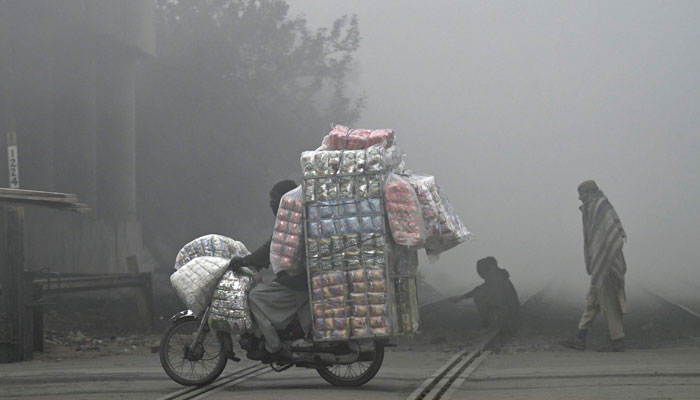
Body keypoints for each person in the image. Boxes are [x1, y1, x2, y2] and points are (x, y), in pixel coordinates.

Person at [228, 180, 311, 361]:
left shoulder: (293, 222)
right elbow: (274, 248)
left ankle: (273, 345)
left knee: (255, 297)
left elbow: (270, 248)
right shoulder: (297, 219)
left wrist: (245, 261)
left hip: (295, 281)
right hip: (298, 279)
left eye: (275, 201)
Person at [561, 180, 627, 352]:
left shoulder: (600, 207)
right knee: (593, 302)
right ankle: (580, 338)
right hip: (601, 264)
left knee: (610, 303)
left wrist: (603, 259)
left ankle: (617, 340)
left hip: (608, 264)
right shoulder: (592, 209)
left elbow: (610, 236)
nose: (579, 198)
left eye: (581, 194)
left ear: (589, 193)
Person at [450, 256, 520, 330]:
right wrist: (462, 297)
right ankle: (492, 321)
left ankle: (490, 323)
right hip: (510, 309)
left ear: (491, 268)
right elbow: (481, 288)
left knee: (479, 297)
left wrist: (462, 297)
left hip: (508, 313)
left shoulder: (497, 279)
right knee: (481, 295)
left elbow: (482, 291)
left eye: (482, 270)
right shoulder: (498, 277)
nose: (481, 274)